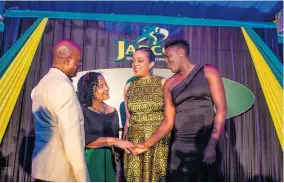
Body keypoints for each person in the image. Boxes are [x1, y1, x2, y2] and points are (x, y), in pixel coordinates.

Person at [133, 40, 227, 181]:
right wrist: (146, 144)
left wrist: (212, 144)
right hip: (180, 146)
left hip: (205, 142)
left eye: (168, 56)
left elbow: (221, 111)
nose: (166, 61)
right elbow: (167, 122)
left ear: (181, 53)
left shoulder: (208, 71)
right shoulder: (170, 84)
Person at [31, 40, 90, 181]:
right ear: (67, 60)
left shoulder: (42, 84)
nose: (80, 64)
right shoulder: (63, 87)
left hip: (42, 169)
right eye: (78, 60)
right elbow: (71, 139)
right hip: (60, 173)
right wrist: (83, 178)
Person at [122, 47, 171, 182]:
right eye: (133, 61)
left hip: (157, 142)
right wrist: (124, 141)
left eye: (140, 61)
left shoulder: (163, 83)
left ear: (151, 64)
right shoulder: (129, 86)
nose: (135, 64)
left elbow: (170, 118)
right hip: (135, 143)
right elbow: (128, 119)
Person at [76, 71, 133, 182]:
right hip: (88, 162)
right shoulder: (80, 110)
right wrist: (115, 141)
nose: (107, 88)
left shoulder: (112, 112)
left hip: (109, 163)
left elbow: (117, 144)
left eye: (106, 85)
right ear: (90, 89)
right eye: (101, 86)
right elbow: (84, 139)